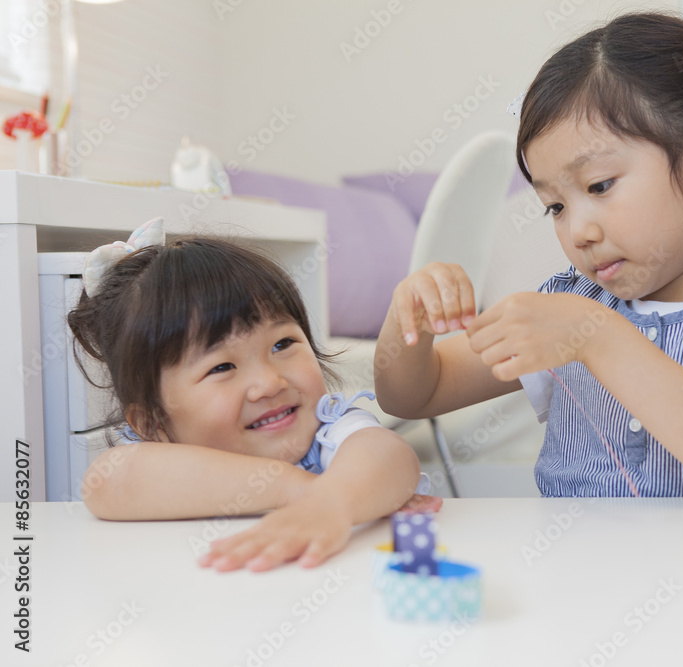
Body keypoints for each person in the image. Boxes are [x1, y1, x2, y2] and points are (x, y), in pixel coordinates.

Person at [374, 12, 683, 507]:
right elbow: (415, 395)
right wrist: (408, 321)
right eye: (555, 207)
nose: (578, 232)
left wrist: (597, 337)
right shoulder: (569, 306)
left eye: (599, 186)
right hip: (582, 561)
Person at [70, 218, 437, 573]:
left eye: (282, 344)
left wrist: (332, 503)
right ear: (153, 422)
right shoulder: (160, 466)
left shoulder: (327, 433)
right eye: (222, 367)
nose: (269, 383)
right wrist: (296, 489)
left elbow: (388, 454)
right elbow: (105, 481)